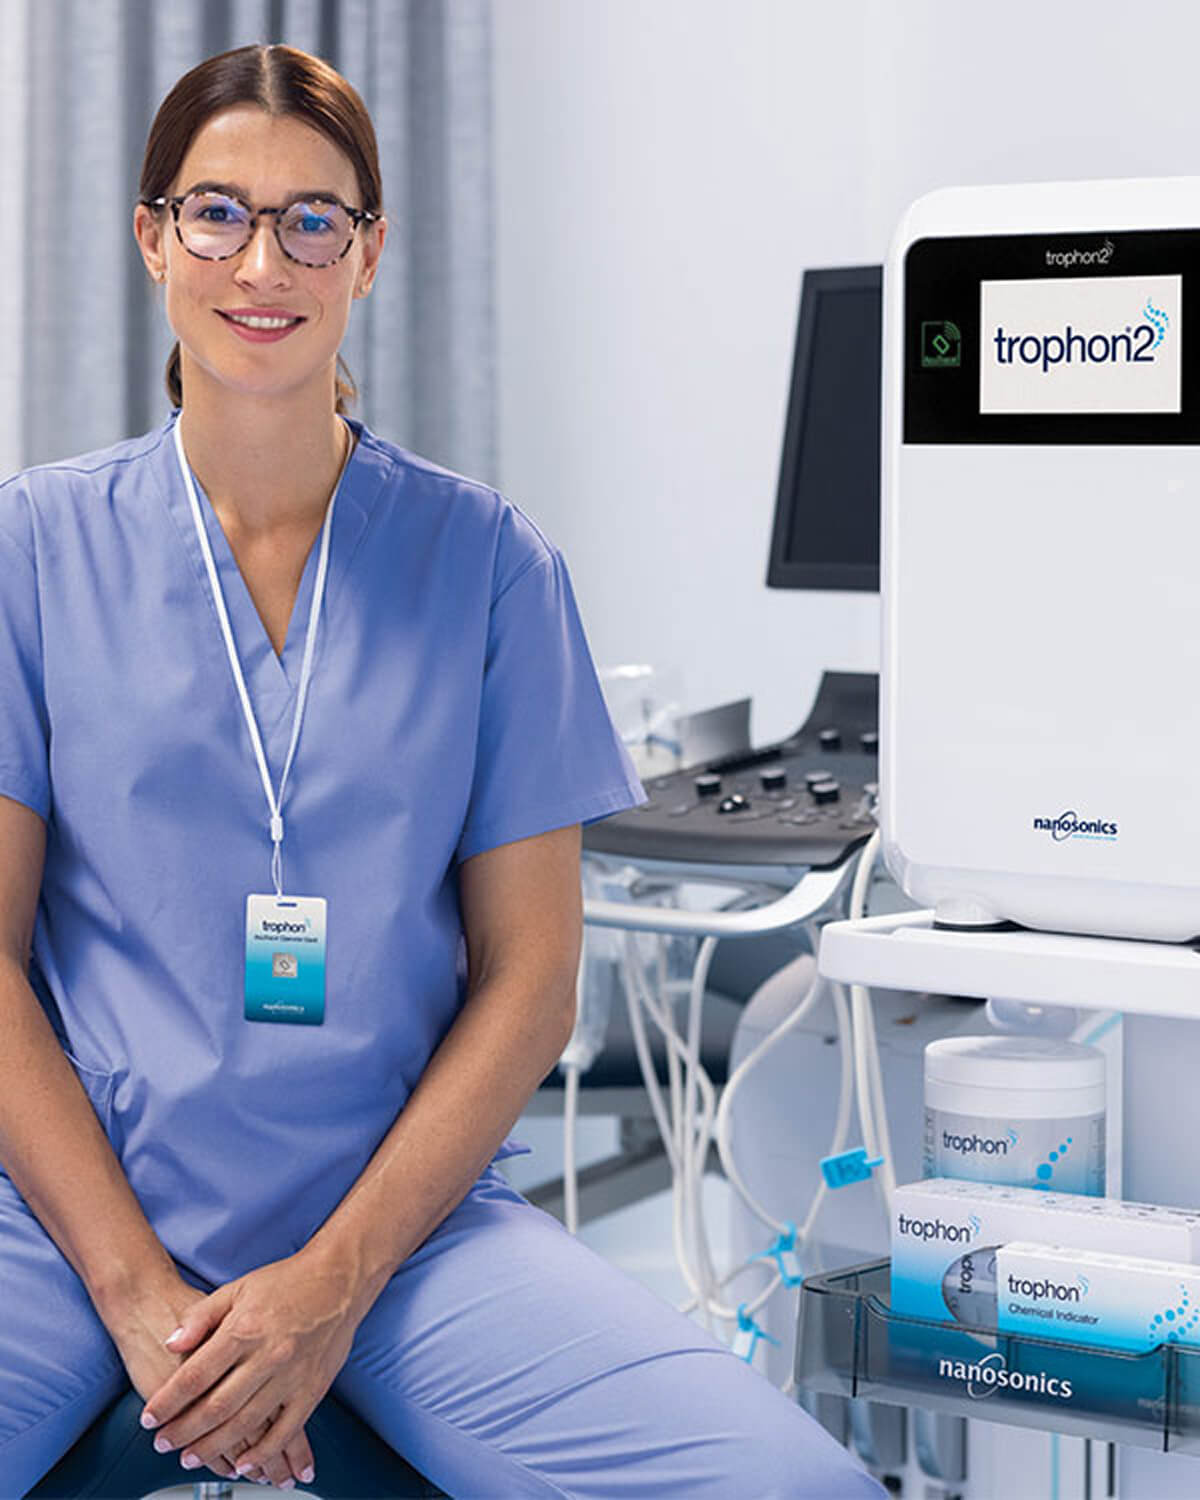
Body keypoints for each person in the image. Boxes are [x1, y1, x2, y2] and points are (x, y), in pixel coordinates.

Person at [0, 42, 883, 1499]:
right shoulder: (35, 553)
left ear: (370, 252)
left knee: (801, 1490)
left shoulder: (488, 568)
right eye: (216, 212)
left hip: (406, 1238)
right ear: (154, 236)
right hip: (65, 1220)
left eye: (312, 218)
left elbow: (530, 988)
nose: (261, 260)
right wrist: (136, 1294)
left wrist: (332, 1286)